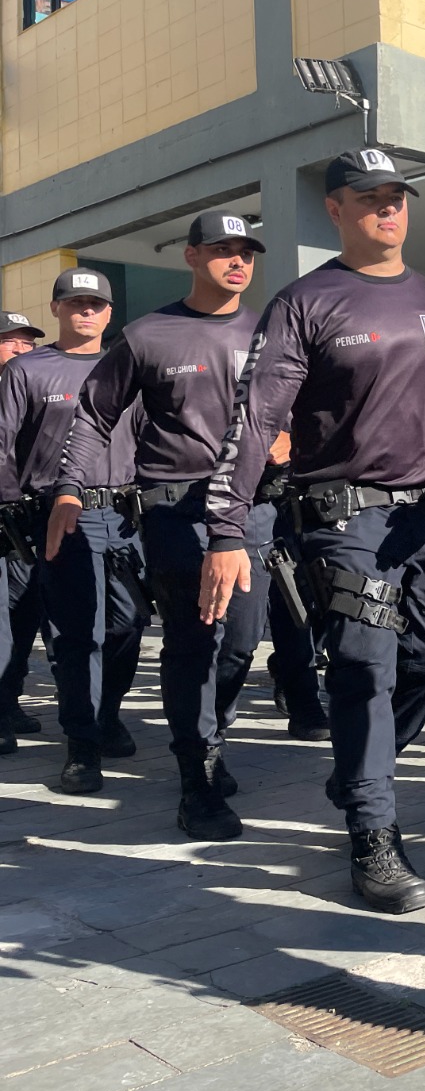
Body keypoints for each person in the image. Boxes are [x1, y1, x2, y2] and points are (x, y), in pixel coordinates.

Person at [200, 148, 425, 915]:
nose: (387, 209)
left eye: (397, 197)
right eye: (369, 197)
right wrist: (227, 527)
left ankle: (361, 766)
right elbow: (258, 420)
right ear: (336, 209)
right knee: (364, 663)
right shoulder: (306, 303)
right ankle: (374, 833)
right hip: (346, 516)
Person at [46, 214, 283, 837]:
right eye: (222, 250)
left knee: (240, 641)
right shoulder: (149, 334)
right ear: (190, 256)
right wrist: (69, 490)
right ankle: (195, 774)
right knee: (191, 639)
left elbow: (310, 405)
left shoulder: (273, 332)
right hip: (176, 511)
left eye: (245, 252)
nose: (237, 262)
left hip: (252, 510)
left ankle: (214, 732)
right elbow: (95, 415)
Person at [0, 268, 147, 791]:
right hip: (57, 516)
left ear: (110, 313)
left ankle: (106, 713)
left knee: (129, 623)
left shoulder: (128, 368)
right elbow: (3, 444)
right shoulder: (27, 370)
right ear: (57, 308)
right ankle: (82, 743)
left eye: (96, 304)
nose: (86, 311)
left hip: (126, 516)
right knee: (75, 633)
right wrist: (13, 510)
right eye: (75, 303)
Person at [0, 311, 44, 753]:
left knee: (24, 612)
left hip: (27, 518)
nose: (20, 348)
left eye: (27, 343)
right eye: (11, 341)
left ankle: (8, 699)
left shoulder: (33, 388)